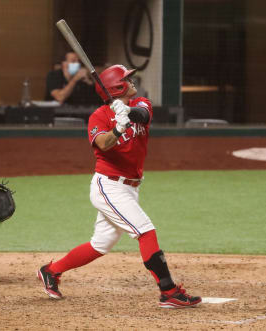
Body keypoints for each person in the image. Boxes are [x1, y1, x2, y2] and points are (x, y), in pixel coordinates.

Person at [38, 64, 202, 309]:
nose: (132, 81)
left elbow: (144, 116)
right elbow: (103, 144)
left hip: (130, 188)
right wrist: (118, 127)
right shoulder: (99, 117)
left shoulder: (141, 103)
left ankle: (51, 271)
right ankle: (168, 291)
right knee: (145, 231)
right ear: (118, 86)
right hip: (109, 186)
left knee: (100, 244)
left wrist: (126, 112)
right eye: (127, 78)